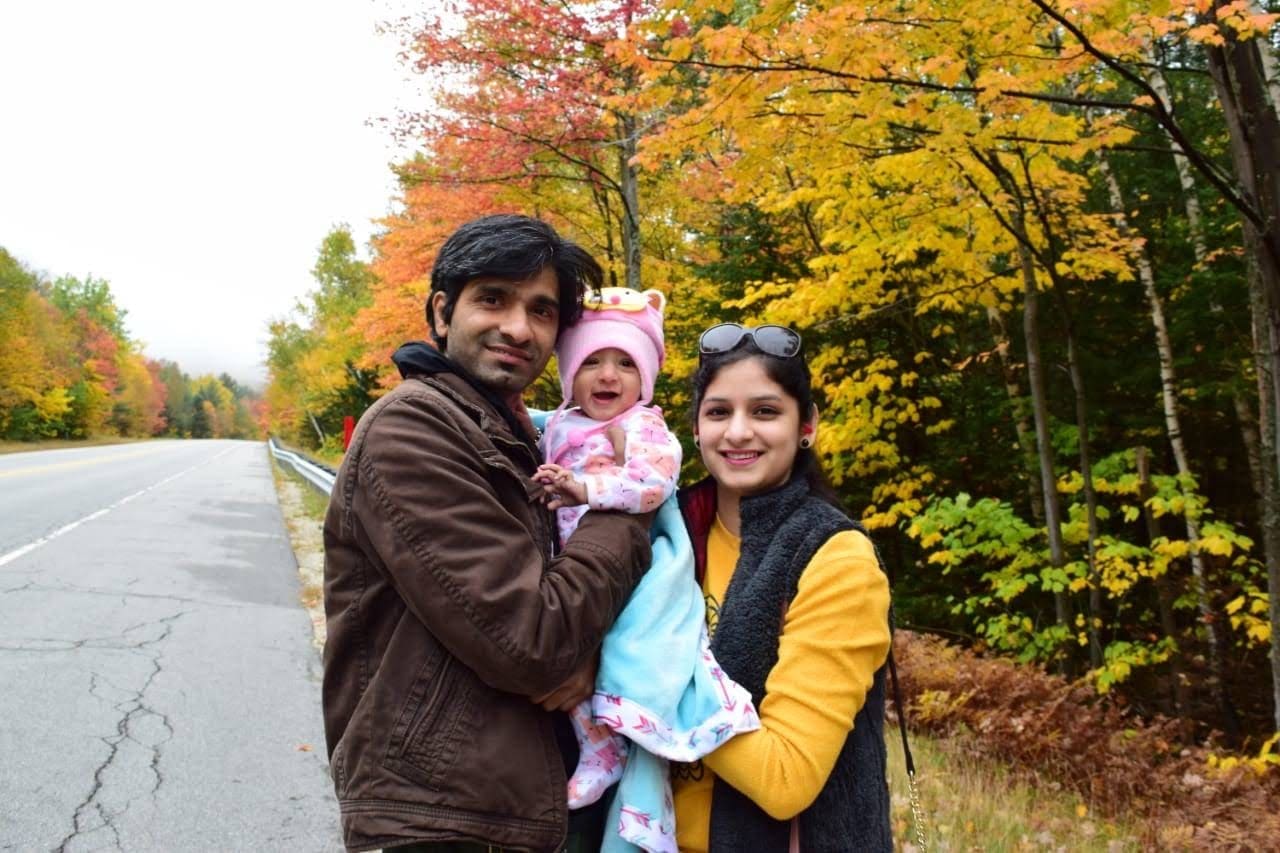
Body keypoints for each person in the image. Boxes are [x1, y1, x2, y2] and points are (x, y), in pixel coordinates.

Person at [321, 214, 654, 853]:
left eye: (542, 310)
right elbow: (531, 640)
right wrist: (625, 499)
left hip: (504, 806)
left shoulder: (520, 434)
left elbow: (553, 608)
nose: (518, 328)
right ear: (443, 313)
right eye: (493, 299)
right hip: (440, 820)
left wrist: (589, 651)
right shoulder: (413, 430)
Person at [534, 287, 759, 853]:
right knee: (569, 655)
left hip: (635, 570)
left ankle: (608, 746)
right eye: (591, 361)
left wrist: (586, 486)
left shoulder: (644, 427)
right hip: (573, 562)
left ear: (646, 379)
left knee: (615, 651)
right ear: (567, 374)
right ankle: (594, 743)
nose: (608, 375)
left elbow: (652, 483)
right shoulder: (561, 423)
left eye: (625, 364)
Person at [671, 323, 894, 853]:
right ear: (696, 428)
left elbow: (784, 777)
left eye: (766, 411)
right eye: (719, 412)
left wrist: (641, 681)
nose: (739, 432)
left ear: (807, 426)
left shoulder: (834, 558)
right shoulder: (665, 534)